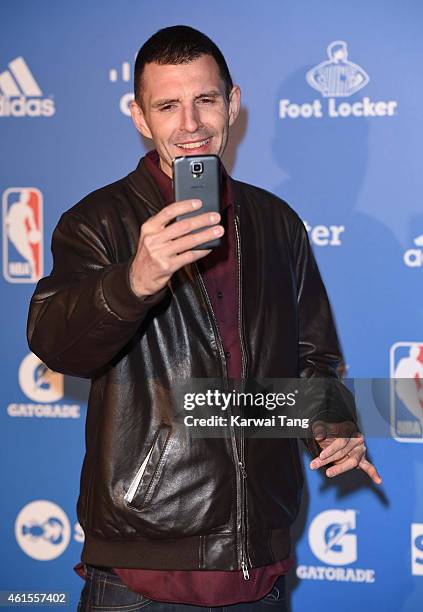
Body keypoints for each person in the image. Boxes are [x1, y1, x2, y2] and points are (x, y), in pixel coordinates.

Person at [27, 25, 381, 611]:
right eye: (168, 105)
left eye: (205, 100)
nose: (190, 124)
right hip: (140, 570)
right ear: (140, 117)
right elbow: (58, 345)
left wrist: (333, 422)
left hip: (257, 564)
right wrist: (136, 279)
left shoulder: (277, 222)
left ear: (233, 104)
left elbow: (313, 359)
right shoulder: (97, 222)